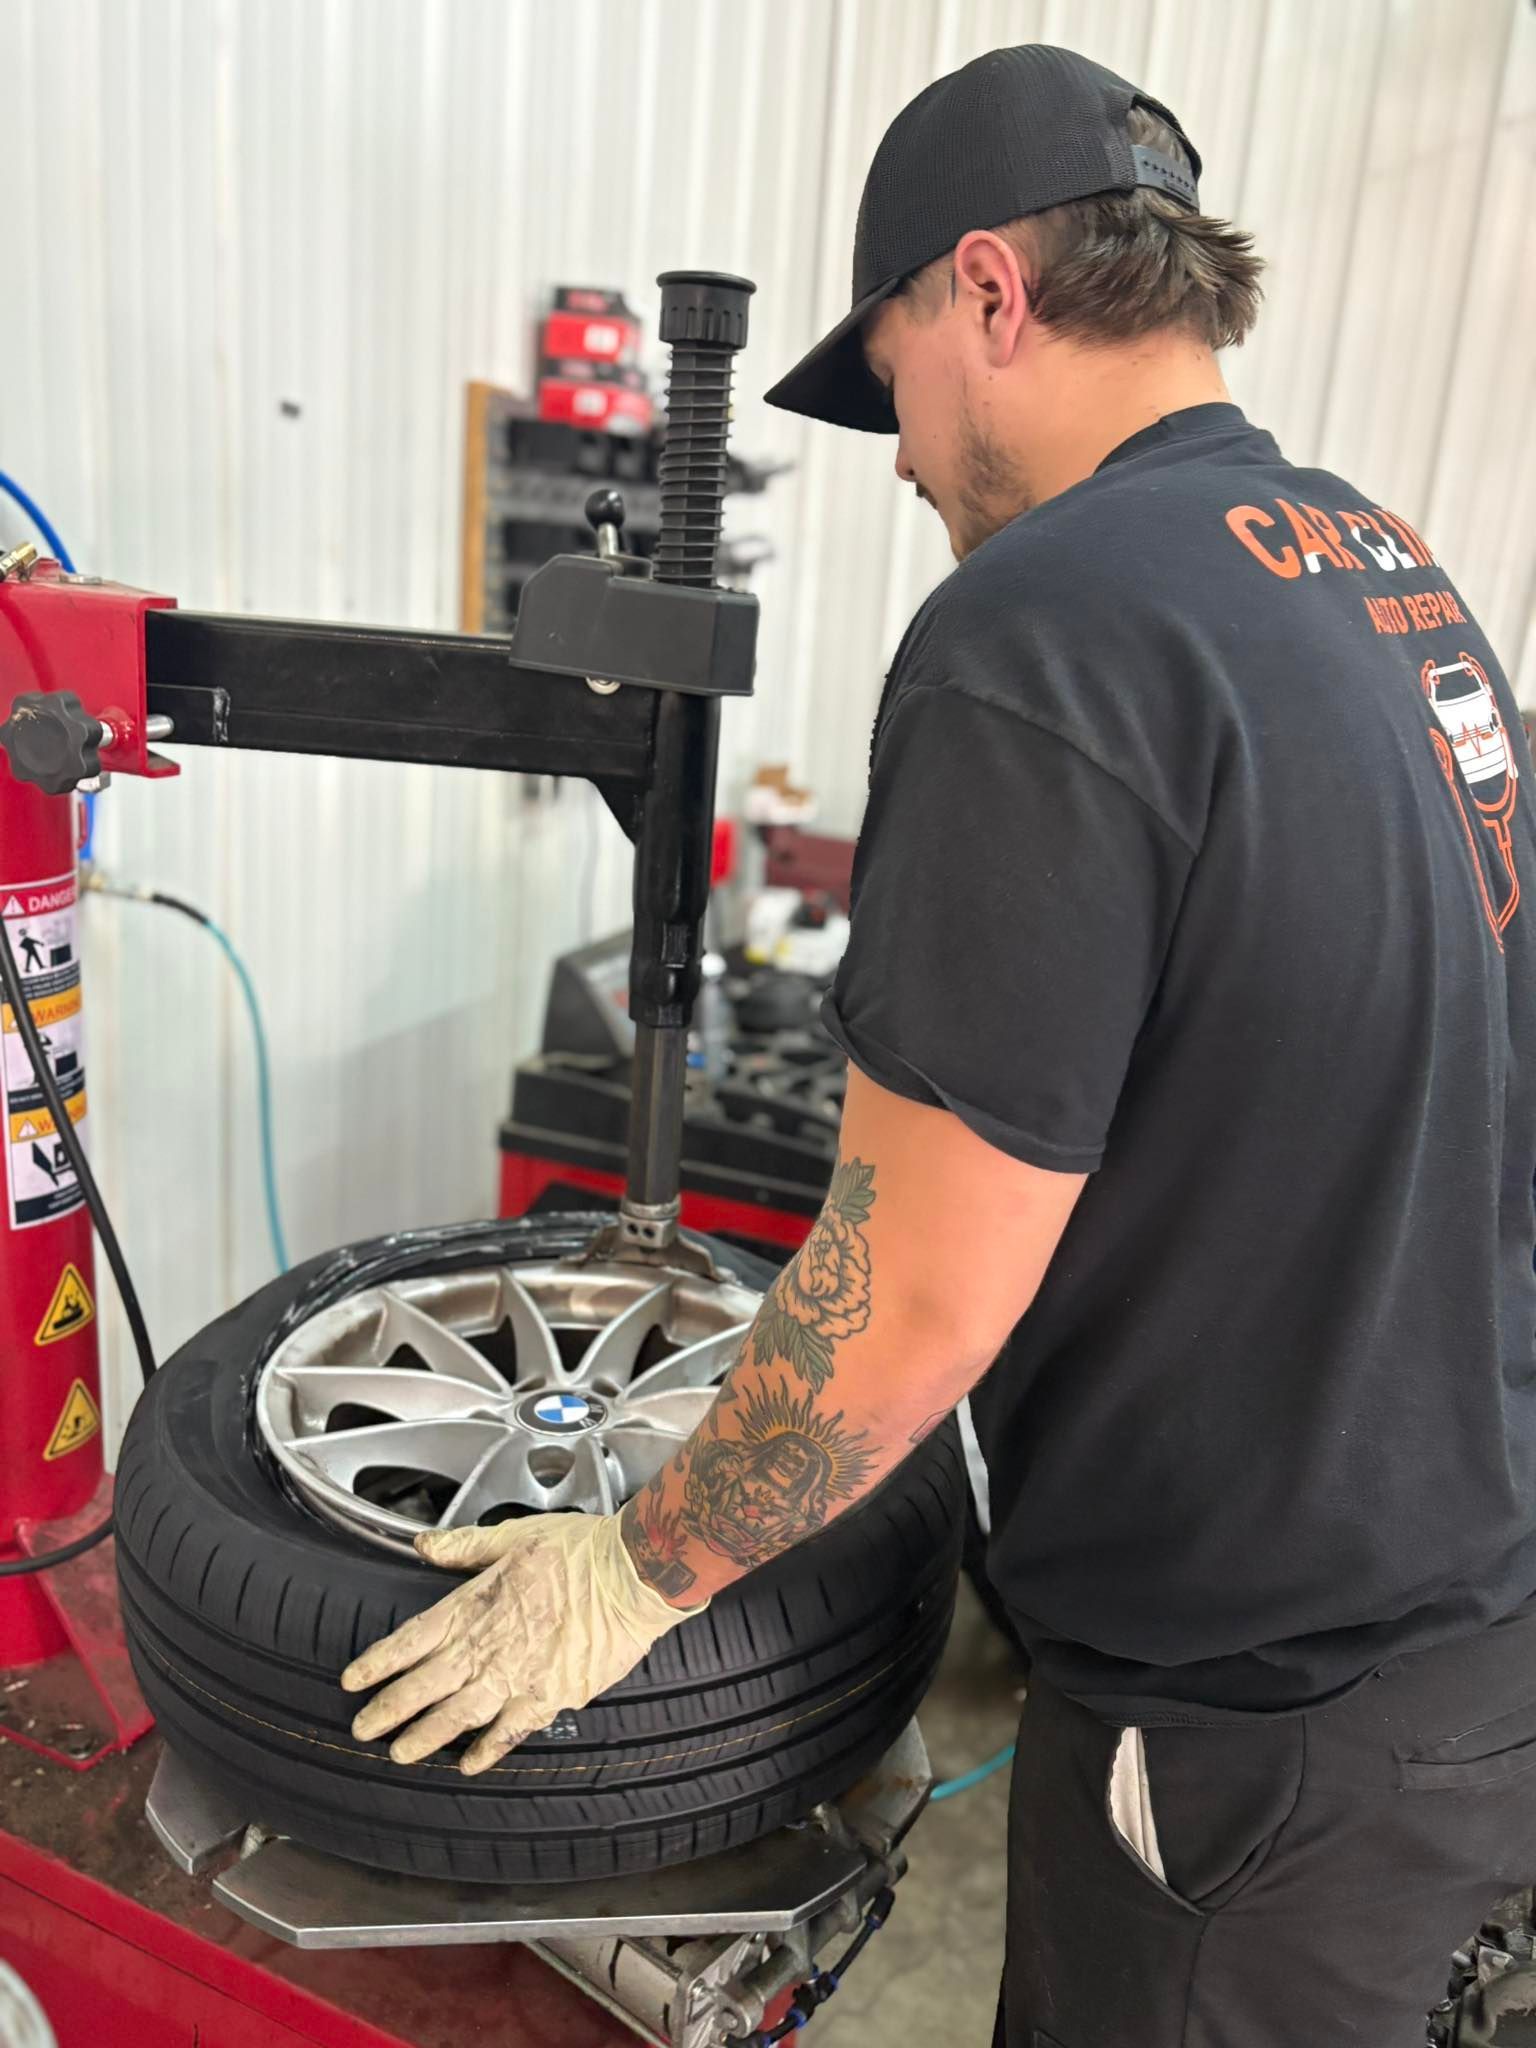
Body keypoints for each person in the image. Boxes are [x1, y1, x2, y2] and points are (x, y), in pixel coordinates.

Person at [341, 45, 1536, 2046]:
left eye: (886, 370)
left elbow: (904, 1320)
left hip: (1248, 1726)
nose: (896, 454)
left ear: (989, 290)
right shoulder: (1384, 568)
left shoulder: (1048, 626)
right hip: (1454, 1632)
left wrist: (630, 1569)